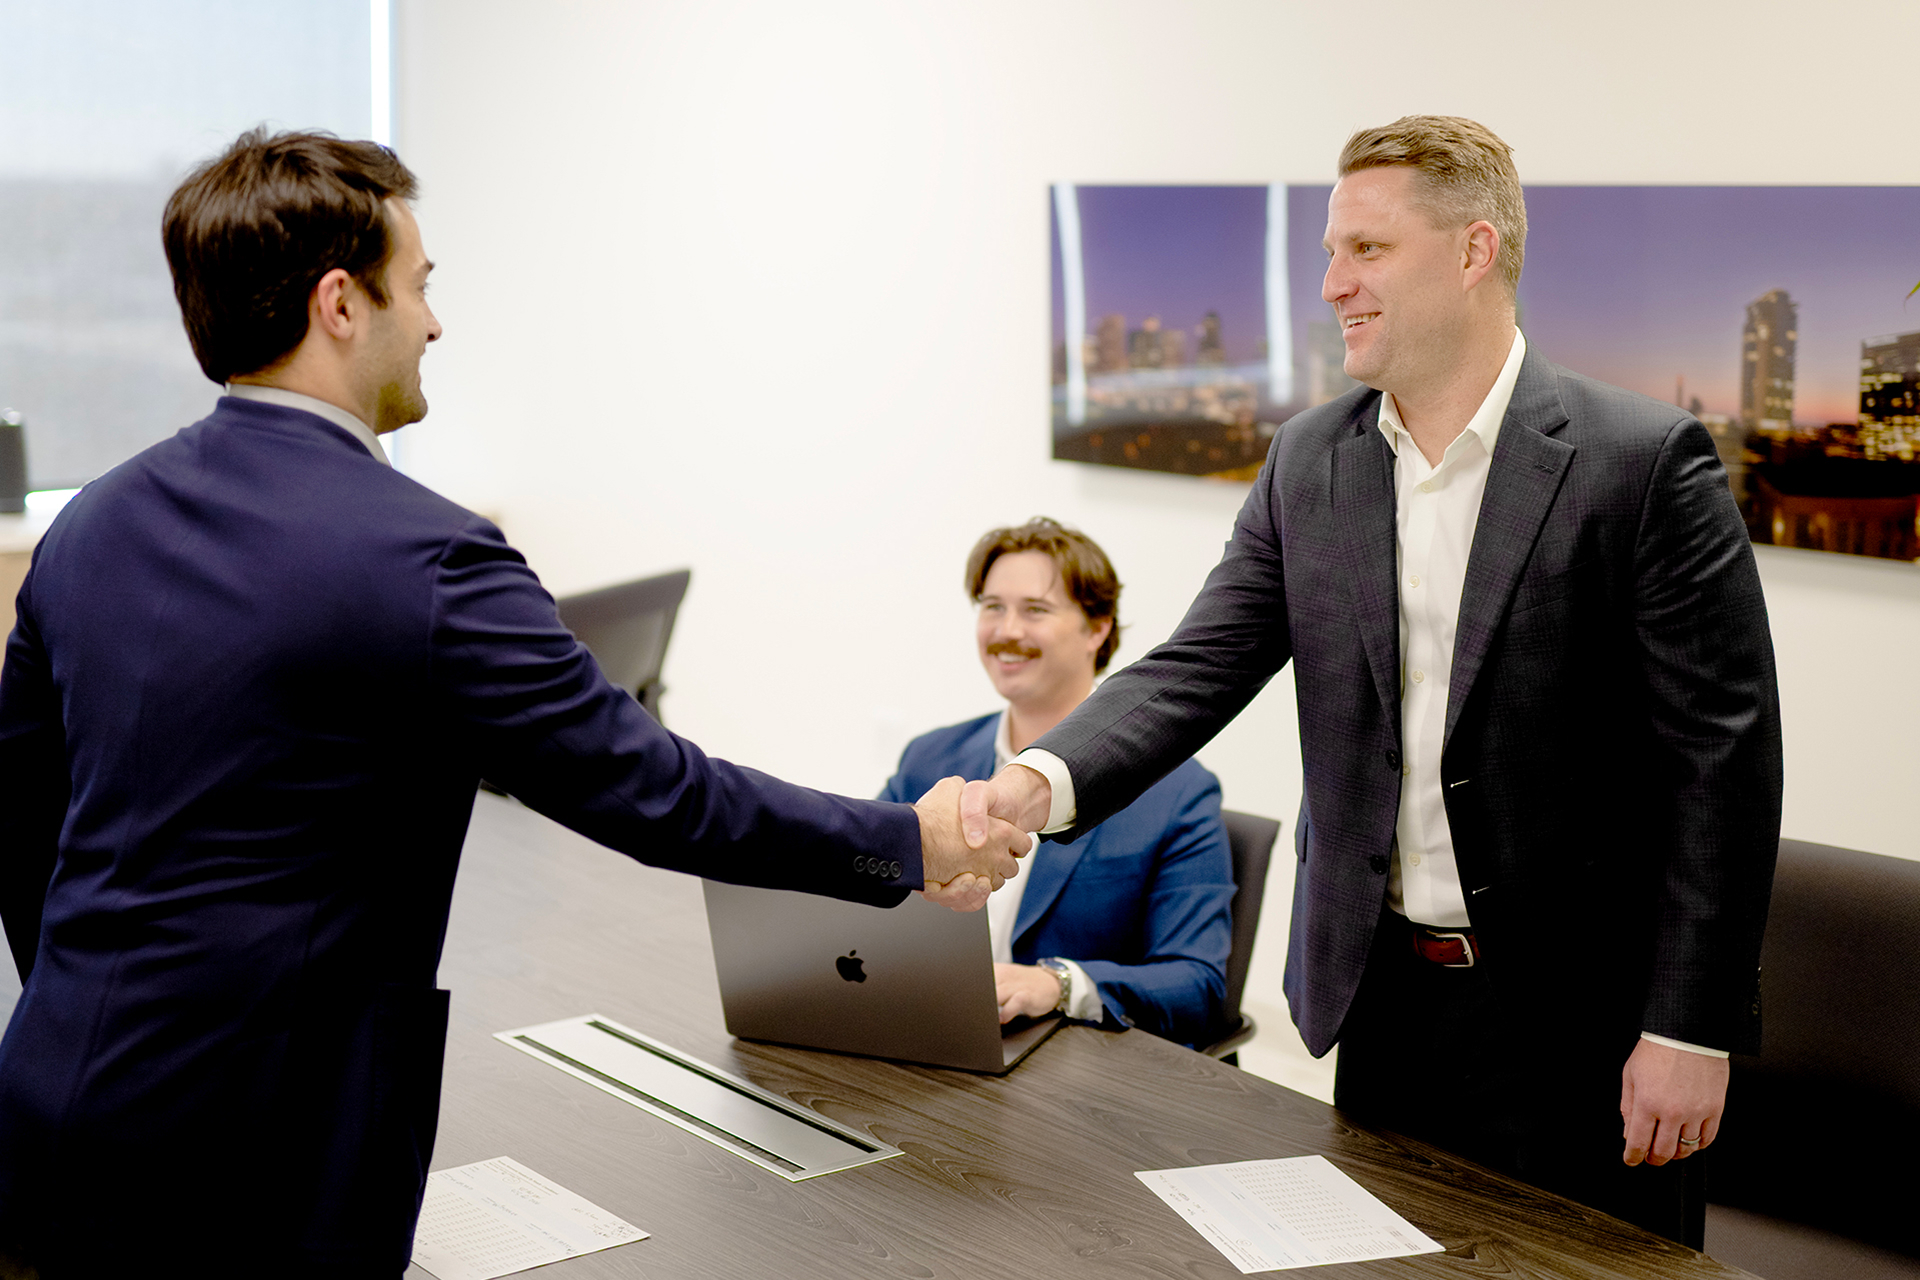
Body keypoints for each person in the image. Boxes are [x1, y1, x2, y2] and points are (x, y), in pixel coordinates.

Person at [0, 129, 1025, 1278]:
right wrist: (906, 837)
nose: (434, 323)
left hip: (51, 1106)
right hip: (268, 1158)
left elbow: (22, 818)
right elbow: (650, 789)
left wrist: (94, 998)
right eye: (420, 285)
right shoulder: (428, 556)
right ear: (341, 303)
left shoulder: (89, 526)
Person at [960, 116, 1781, 1246]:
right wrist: (1035, 782)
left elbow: (1721, 766)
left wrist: (1691, 1027)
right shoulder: (1312, 458)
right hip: (1382, 999)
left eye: (1367, 249)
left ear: (1474, 250)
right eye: (1329, 253)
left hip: (1585, 1022)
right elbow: (1199, 664)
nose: (1335, 282)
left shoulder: (1641, 462)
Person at [880, 519, 1234, 1049]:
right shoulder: (929, 757)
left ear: (1098, 629)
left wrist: (1058, 983)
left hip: (1061, 1069)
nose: (1007, 631)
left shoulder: (1178, 794)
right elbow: (858, 896)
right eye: (992, 606)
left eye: (1035, 610)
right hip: (918, 1031)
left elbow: (1196, 985)